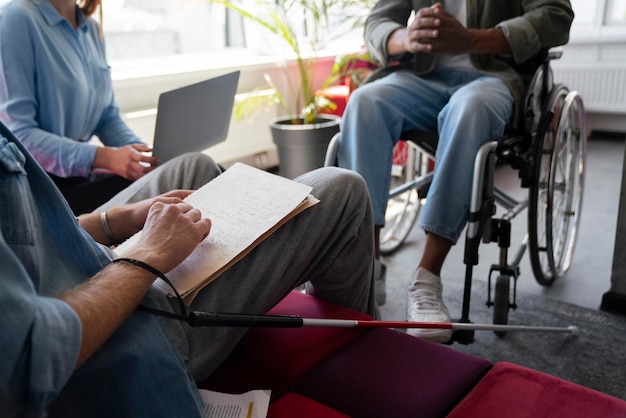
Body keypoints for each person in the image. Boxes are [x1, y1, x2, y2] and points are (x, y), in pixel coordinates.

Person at [0, 120, 378, 417]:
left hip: (73, 268)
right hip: (113, 341)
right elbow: (25, 359)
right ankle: (367, 363)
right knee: (342, 189)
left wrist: (114, 221)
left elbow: (26, 232)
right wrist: (145, 257)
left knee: (194, 165)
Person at [336, 0, 574, 343]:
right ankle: (365, 272)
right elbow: (379, 20)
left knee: (470, 110)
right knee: (364, 103)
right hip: (421, 76)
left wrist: (472, 40)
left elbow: (556, 16)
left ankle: (427, 278)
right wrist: (405, 37)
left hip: (493, 77)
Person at [0, 0, 218, 215]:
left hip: (78, 179)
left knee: (203, 172)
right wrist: (103, 157)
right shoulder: (16, 19)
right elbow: (19, 136)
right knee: (196, 169)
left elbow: (106, 116)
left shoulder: (91, 29)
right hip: (40, 191)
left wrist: (143, 157)